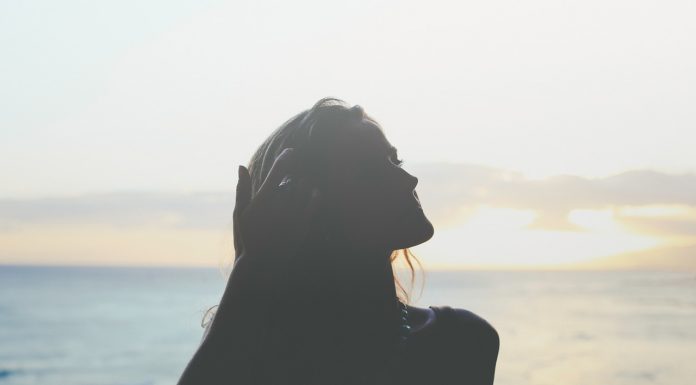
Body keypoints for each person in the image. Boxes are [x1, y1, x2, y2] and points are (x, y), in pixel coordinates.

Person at [177, 98, 499, 385]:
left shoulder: (465, 341)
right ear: (311, 209)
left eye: (395, 161)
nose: (408, 179)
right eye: (370, 172)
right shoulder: (264, 358)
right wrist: (252, 266)